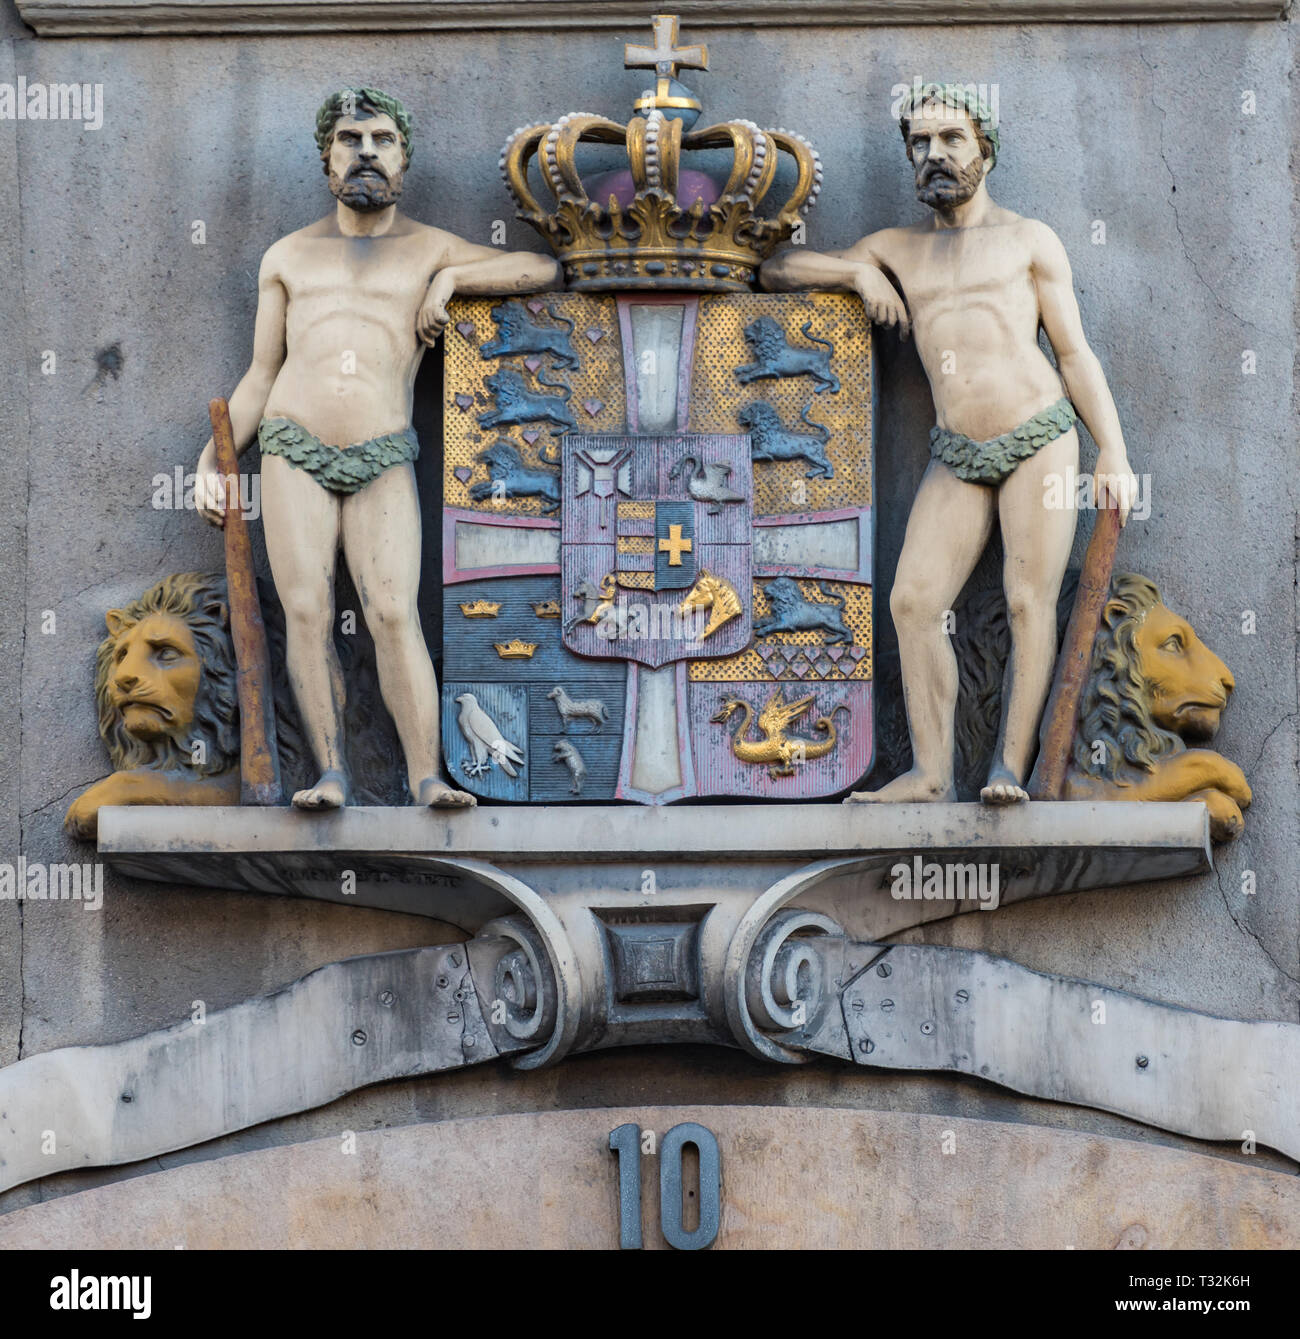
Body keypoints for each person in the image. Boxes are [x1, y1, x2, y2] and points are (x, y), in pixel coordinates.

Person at [761, 83, 1136, 804]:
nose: (934, 156)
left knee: (1028, 601)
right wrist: (857, 270)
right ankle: (931, 774)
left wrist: (1112, 450)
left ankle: (1008, 768)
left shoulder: (1029, 240)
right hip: (956, 451)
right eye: (920, 144)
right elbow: (778, 271)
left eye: (951, 140)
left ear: (985, 151)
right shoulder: (897, 248)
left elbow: (1074, 355)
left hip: (1040, 437)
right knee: (913, 599)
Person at [196, 87, 561, 809]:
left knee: (393, 613)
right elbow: (262, 375)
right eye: (351, 139)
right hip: (292, 447)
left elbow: (540, 270)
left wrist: (454, 279)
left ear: (404, 157)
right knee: (306, 612)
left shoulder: (430, 249)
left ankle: (427, 775)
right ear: (327, 157)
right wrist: (213, 463)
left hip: (383, 451)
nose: (367, 153)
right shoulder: (288, 257)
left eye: (382, 140)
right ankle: (331, 773)